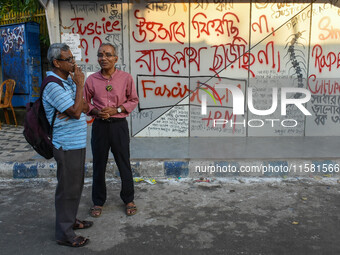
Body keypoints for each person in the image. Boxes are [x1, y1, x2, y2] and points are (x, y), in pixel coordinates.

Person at [43, 43, 92, 247]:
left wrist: (76, 102)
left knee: (76, 185)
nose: (73, 62)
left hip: (77, 142)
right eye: (69, 59)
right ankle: (64, 233)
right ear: (56, 63)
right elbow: (76, 112)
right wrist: (80, 86)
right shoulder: (53, 85)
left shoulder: (68, 82)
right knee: (67, 188)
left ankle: (70, 220)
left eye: (73, 58)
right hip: (65, 144)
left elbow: (85, 106)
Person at [84, 43, 139, 218]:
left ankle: (128, 199)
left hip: (118, 127)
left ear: (116, 58)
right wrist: (95, 111)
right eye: (100, 55)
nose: (104, 58)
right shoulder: (91, 80)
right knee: (99, 165)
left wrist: (117, 110)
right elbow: (85, 103)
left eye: (108, 55)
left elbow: (133, 100)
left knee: (124, 163)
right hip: (100, 127)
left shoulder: (126, 78)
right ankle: (98, 201)